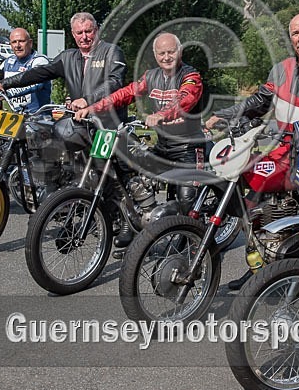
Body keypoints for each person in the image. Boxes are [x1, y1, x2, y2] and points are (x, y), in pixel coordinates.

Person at [205, 12, 299, 290]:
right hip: (283, 150)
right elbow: (259, 102)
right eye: (295, 33)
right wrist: (223, 114)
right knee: (249, 194)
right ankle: (260, 268)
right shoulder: (281, 68)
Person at [74, 32, 206, 248]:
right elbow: (125, 93)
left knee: (187, 201)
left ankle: (195, 250)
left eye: (171, 51)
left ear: (180, 51)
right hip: (162, 146)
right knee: (130, 171)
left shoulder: (190, 75)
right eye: (161, 53)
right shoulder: (151, 76)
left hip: (187, 147)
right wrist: (93, 108)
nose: (166, 57)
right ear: (155, 55)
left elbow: (186, 98)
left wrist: (162, 114)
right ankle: (132, 222)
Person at [0, 12, 127, 128]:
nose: (84, 37)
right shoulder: (68, 57)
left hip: (108, 123)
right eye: (79, 32)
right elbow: (38, 73)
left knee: (108, 164)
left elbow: (115, 82)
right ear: (73, 34)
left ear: (96, 30)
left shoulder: (111, 52)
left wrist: (87, 100)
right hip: (80, 121)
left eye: (88, 31)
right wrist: (3, 84)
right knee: (61, 153)